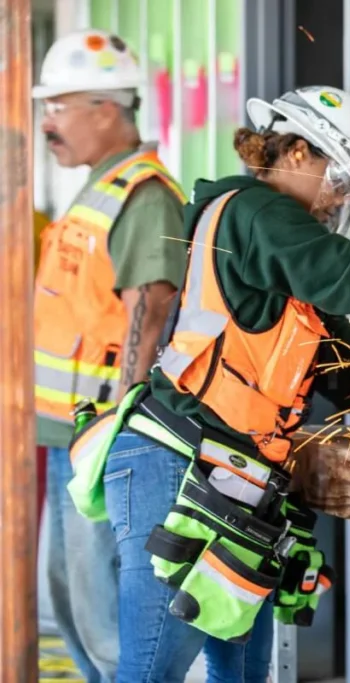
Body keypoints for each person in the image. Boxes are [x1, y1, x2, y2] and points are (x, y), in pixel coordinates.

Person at [84, 84, 350, 682]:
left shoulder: (275, 247)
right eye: (337, 178)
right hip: (179, 465)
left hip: (229, 481)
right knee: (153, 672)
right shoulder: (257, 213)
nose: (338, 201)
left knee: (240, 673)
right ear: (293, 153)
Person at [31, 29, 188, 682]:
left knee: (105, 620)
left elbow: (147, 317)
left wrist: (117, 432)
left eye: (60, 106)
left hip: (101, 439)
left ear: (106, 108)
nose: (49, 123)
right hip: (70, 435)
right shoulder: (100, 186)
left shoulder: (143, 193)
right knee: (70, 601)